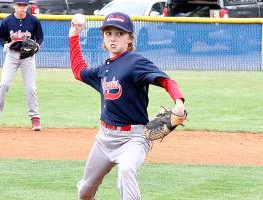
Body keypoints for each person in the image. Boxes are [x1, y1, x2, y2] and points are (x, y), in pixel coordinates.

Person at [69, 12, 185, 199]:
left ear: (130, 37)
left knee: (126, 169)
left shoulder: (136, 62)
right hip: (104, 138)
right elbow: (79, 71)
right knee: (84, 192)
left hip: (134, 138)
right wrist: (74, 35)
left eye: (119, 33)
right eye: (108, 33)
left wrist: (179, 102)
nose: (113, 38)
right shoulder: (104, 69)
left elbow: (166, 80)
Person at [0, 0, 43, 131]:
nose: (22, 8)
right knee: (4, 84)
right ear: (14, 6)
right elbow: (1, 37)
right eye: (19, 5)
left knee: (31, 88)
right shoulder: (7, 21)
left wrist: (37, 46)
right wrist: (4, 44)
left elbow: (39, 38)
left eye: (24, 5)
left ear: (27, 6)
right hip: (12, 55)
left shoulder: (34, 20)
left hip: (28, 57)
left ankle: (35, 118)